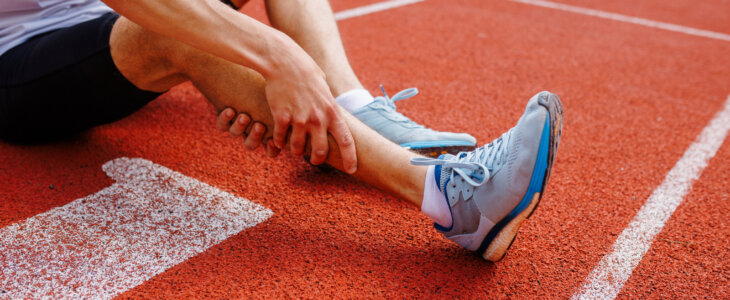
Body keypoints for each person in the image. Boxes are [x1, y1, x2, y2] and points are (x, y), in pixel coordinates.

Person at [0, 0, 563, 261]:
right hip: (19, 63)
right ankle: (454, 201)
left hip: (101, 24)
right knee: (179, 37)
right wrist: (277, 58)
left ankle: (348, 108)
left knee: (199, 36)